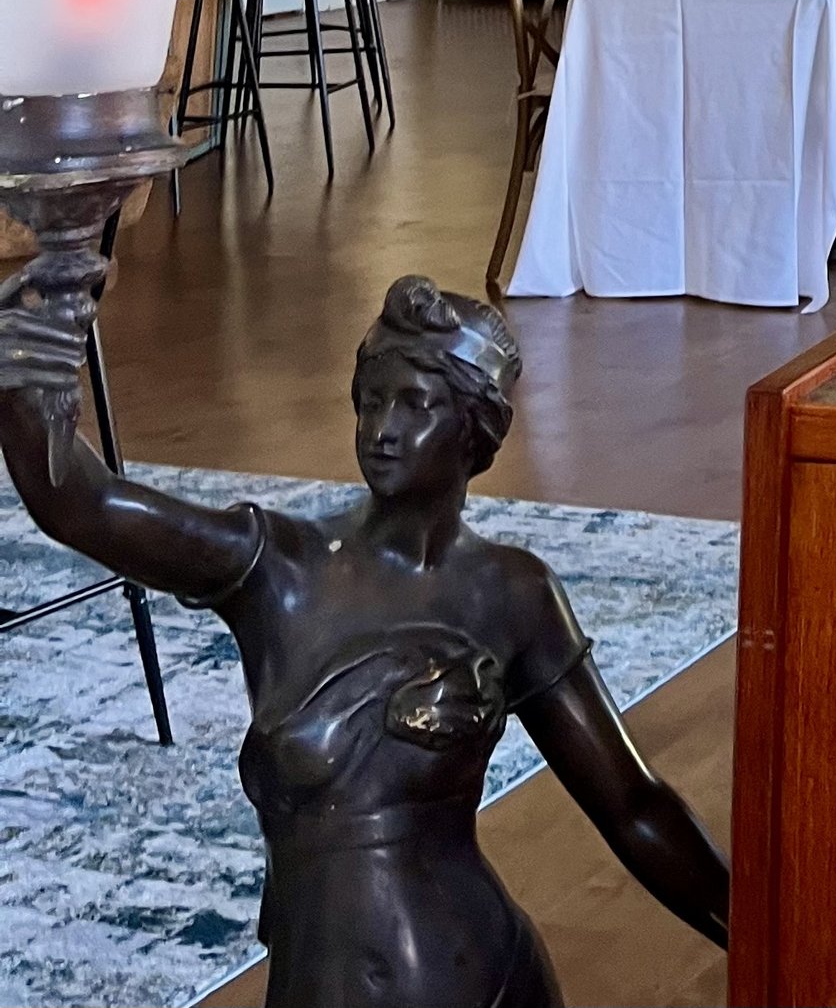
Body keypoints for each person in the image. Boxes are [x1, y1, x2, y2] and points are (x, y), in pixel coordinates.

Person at [0, 274, 728, 1007]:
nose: (382, 427)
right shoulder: (277, 569)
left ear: (474, 427)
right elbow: (80, 503)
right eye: (371, 399)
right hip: (321, 978)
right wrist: (28, 339)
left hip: (477, 978)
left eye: (416, 404)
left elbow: (634, 805)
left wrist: (762, 936)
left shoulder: (512, 594)